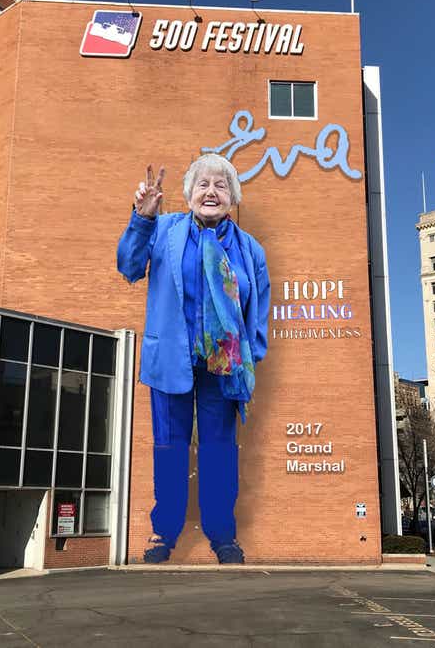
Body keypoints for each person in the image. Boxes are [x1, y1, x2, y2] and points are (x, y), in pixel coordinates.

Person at [117, 155, 270, 564]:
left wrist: (248, 358)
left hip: (224, 366)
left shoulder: (249, 249)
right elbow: (129, 267)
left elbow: (258, 314)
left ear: (232, 197)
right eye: (202, 184)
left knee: (220, 450)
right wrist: (142, 219)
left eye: (221, 185)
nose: (211, 192)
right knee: (170, 446)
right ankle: (163, 533)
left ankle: (222, 534)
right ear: (188, 195)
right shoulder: (164, 230)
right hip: (171, 357)